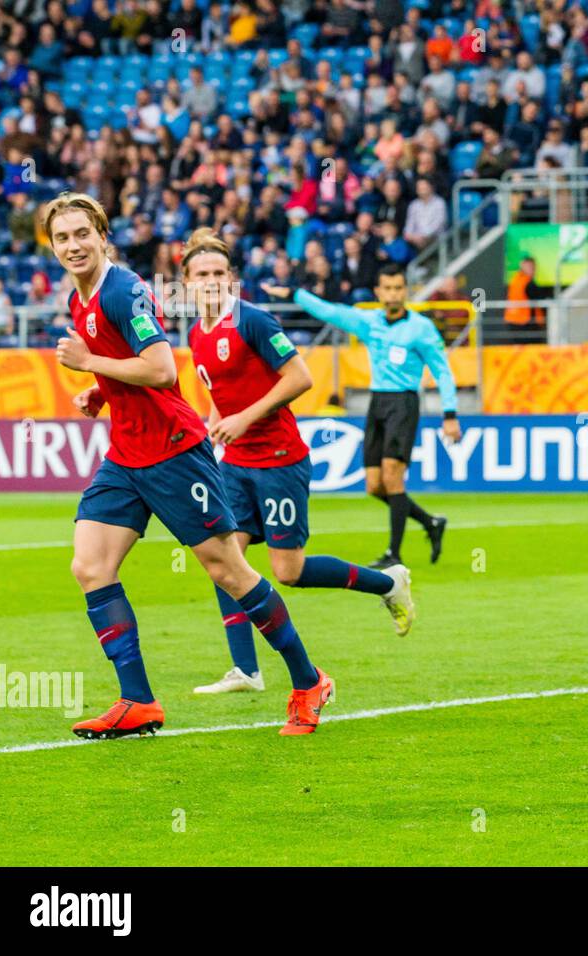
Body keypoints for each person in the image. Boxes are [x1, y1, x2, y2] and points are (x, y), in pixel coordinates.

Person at [47, 193, 334, 738]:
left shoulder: (126, 290)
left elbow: (158, 369)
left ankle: (308, 680)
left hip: (176, 451)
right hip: (127, 454)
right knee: (90, 567)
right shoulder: (78, 299)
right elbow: (127, 367)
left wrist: (89, 364)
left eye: (82, 233)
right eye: (62, 238)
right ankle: (138, 702)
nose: (73, 245)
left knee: (229, 571)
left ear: (102, 234)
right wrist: (100, 392)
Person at [183, 229, 416, 695]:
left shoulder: (254, 322)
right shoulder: (197, 334)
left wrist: (245, 419)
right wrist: (212, 434)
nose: (210, 282)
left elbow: (300, 377)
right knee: (222, 559)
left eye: (217, 274)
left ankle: (387, 584)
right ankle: (246, 670)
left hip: (279, 460)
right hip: (235, 464)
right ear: (186, 283)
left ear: (231, 279)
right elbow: (218, 395)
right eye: (200, 275)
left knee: (289, 572)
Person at [263, 263, 460, 569]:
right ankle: (431, 522)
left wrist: (450, 413)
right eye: (388, 288)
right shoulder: (370, 322)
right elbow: (329, 311)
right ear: (379, 292)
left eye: (398, 288)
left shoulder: (421, 328)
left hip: (404, 403)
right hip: (378, 402)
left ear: (405, 291)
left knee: (393, 477)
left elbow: (442, 371)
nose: (393, 295)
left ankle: (394, 554)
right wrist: (295, 293)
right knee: (373, 485)